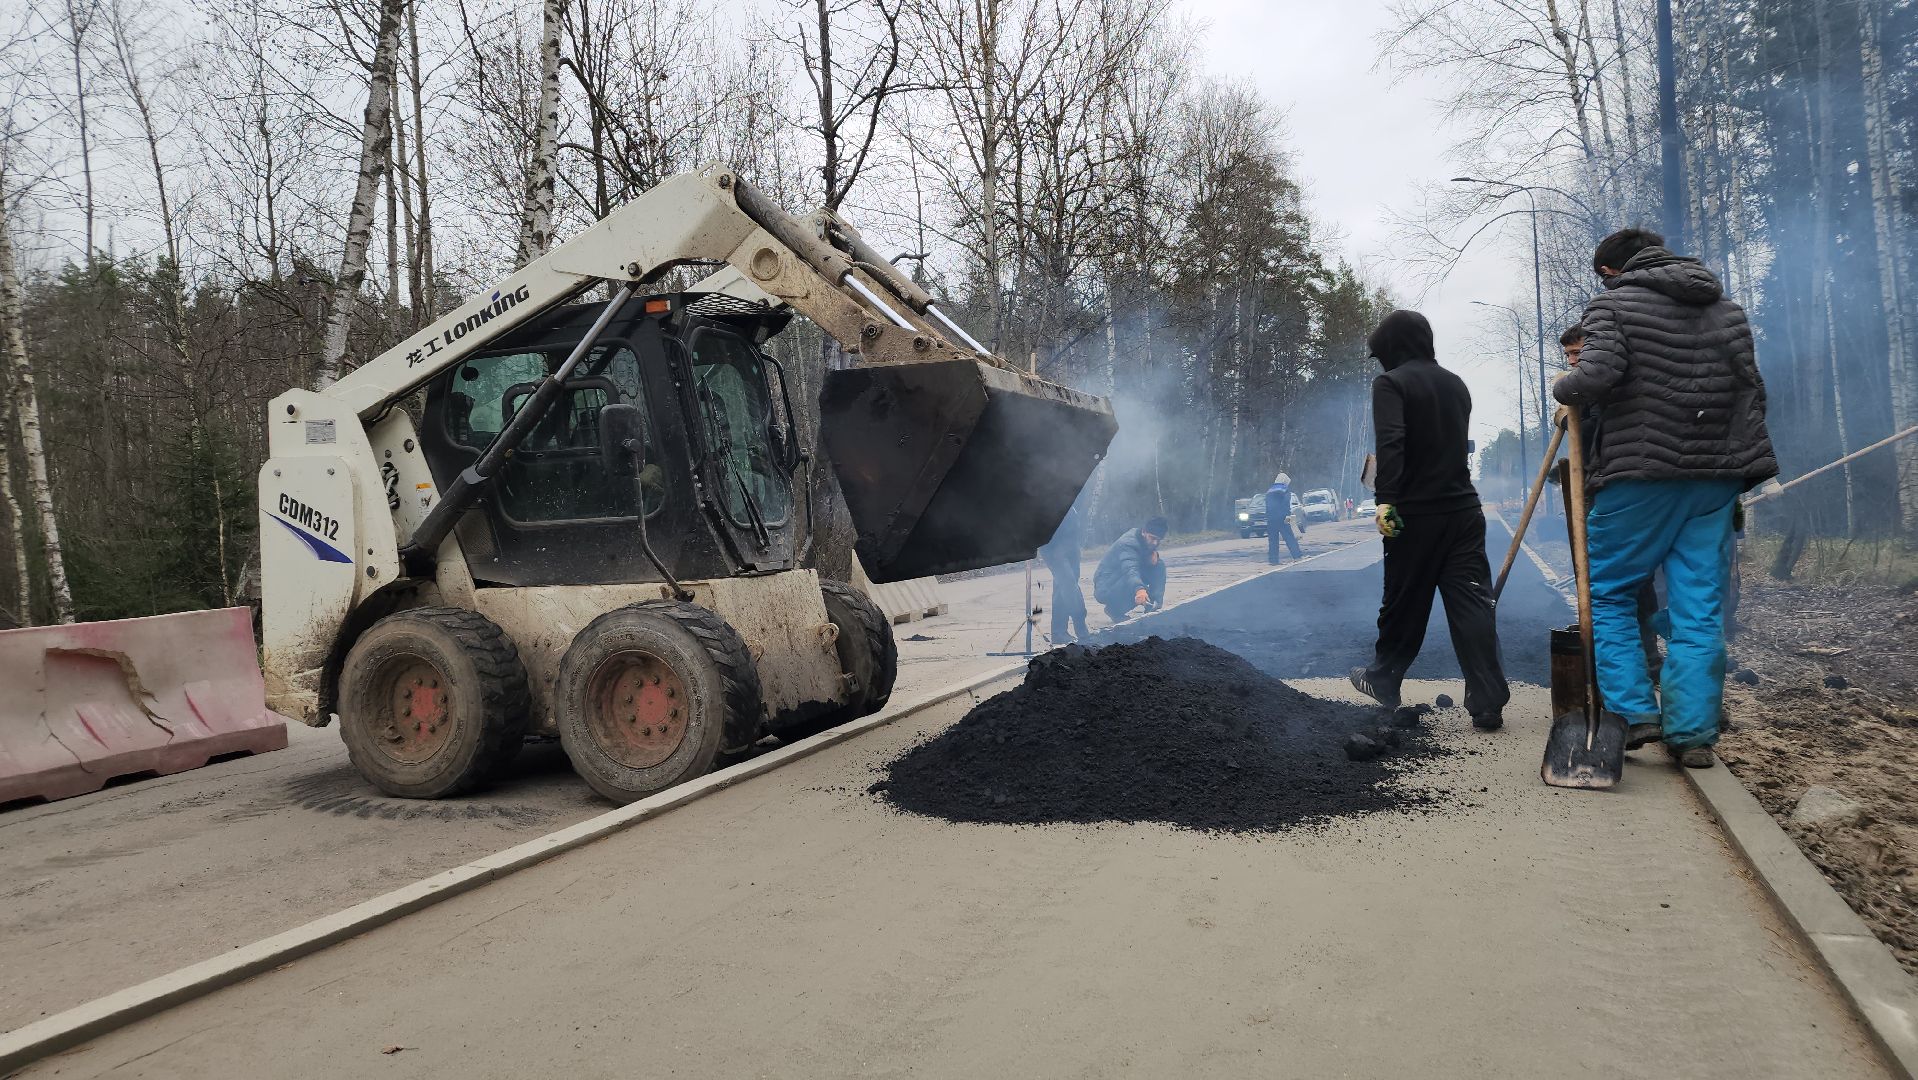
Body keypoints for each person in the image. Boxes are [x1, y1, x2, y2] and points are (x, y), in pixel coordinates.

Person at [1554, 228, 1776, 769]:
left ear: (1611, 271)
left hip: (1641, 474)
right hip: (1713, 480)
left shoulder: (1612, 306)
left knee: (1609, 593)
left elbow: (1597, 376)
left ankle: (1634, 714)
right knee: (1699, 607)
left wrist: (1565, 388)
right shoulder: (1728, 312)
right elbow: (1752, 391)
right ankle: (1693, 734)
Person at [1349, 309, 1511, 730]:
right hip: (1464, 513)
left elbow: (1392, 442)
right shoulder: (1456, 384)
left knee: (1403, 602)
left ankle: (1383, 679)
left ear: (1393, 348)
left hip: (1414, 516)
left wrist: (1385, 500)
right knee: (1473, 605)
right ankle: (1488, 700)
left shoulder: (1390, 384)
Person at [1562, 323, 1663, 686]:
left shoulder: (1609, 386)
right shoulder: (1594, 385)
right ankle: (1639, 660)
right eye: (1568, 355)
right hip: (1609, 486)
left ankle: (1637, 664)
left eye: (1577, 352)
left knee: (1619, 578)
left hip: (1619, 490)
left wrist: (1571, 417)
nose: (1572, 361)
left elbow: (1599, 434)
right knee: (1627, 577)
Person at [1093, 515, 1168, 623]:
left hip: (1121, 577)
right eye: (1152, 538)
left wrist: (1154, 554)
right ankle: (1114, 610)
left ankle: (1154, 606)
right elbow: (1130, 569)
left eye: (1158, 540)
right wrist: (1140, 590)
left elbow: (1140, 560)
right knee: (1137, 585)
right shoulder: (1127, 543)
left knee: (1159, 565)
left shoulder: (1144, 540)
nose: (1155, 543)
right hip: (1105, 586)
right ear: (1144, 532)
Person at [1037, 495, 1090, 644]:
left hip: (1071, 541)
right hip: (1053, 546)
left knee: (1063, 589)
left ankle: (1059, 633)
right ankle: (1081, 630)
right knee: (1069, 585)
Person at [1265, 473, 1302, 564]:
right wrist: (1288, 516)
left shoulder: (1269, 490)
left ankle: (1273, 560)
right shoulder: (1284, 489)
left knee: (1273, 540)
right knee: (1289, 537)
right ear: (1285, 481)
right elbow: (1285, 504)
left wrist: (1269, 516)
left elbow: (1268, 505)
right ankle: (1297, 556)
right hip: (1282, 517)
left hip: (1271, 518)